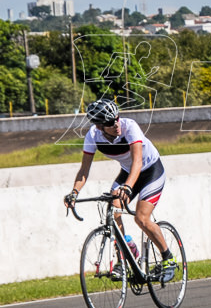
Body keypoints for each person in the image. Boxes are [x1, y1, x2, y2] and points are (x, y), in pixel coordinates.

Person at [63, 99, 176, 282]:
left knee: (141, 218)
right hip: (127, 173)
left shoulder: (129, 127)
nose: (116, 124)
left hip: (150, 171)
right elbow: (84, 171)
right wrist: (74, 192)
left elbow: (137, 162)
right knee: (113, 210)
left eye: (116, 118)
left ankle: (168, 259)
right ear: (99, 126)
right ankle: (124, 256)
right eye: (109, 122)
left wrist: (128, 187)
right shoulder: (93, 136)